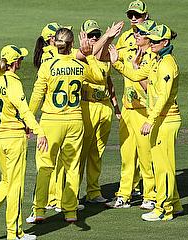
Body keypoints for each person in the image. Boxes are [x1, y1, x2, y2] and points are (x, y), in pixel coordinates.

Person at [26, 28, 106, 223]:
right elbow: (100, 77)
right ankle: (70, 211)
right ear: (72, 45)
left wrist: (28, 119)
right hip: (75, 121)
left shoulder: (47, 65)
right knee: (72, 167)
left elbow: (37, 95)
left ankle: (39, 210)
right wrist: (89, 56)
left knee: (45, 166)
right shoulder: (80, 65)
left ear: (55, 44)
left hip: (51, 122)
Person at [109, 24, 183, 221]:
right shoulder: (158, 61)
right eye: (150, 39)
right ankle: (175, 203)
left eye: (155, 41)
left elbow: (163, 97)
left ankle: (163, 210)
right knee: (161, 165)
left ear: (165, 43)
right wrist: (117, 63)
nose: (151, 43)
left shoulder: (167, 64)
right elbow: (136, 75)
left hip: (165, 120)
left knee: (163, 167)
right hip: (161, 119)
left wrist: (150, 120)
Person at [0, 45, 48, 240]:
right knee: (16, 186)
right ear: (15, 62)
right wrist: (39, 131)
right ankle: (14, 233)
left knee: (6, 181)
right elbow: (24, 111)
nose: (22, 62)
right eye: (21, 59)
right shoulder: (13, 83)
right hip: (14, 139)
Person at [106, 20, 157, 209]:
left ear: (149, 38)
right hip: (128, 110)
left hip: (145, 111)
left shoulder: (153, 58)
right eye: (136, 33)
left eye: (141, 33)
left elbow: (149, 86)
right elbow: (107, 59)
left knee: (146, 157)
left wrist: (133, 68)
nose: (136, 34)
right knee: (127, 156)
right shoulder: (129, 50)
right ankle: (124, 195)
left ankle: (150, 196)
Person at [78, 20, 121, 204]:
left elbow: (109, 82)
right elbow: (92, 53)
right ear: (83, 37)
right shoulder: (80, 56)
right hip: (87, 107)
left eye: (97, 34)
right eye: (90, 35)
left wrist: (116, 107)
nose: (94, 38)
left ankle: (93, 192)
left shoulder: (104, 54)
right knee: (81, 153)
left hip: (104, 107)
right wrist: (108, 35)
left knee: (97, 152)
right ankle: (71, 194)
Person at [33, 22, 71, 212]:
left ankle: (50, 200)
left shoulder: (48, 56)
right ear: (51, 39)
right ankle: (54, 200)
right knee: (55, 163)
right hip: (60, 115)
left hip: (50, 115)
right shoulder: (52, 56)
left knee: (49, 162)